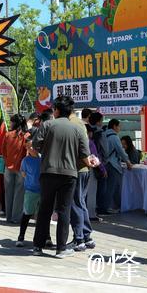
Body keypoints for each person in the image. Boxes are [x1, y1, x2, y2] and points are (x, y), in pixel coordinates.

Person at [31, 96, 96, 259]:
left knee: (44, 209)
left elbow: (35, 145)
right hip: (69, 174)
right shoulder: (77, 128)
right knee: (64, 210)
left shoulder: (47, 125)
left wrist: (47, 150)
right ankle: (61, 248)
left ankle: (38, 246)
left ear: (57, 110)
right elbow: (84, 153)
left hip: (48, 172)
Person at [69, 110, 97, 252]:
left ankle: (79, 238)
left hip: (77, 169)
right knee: (80, 202)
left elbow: (82, 148)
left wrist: (87, 160)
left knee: (76, 204)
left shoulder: (71, 124)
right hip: (84, 169)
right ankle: (87, 236)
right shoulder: (80, 123)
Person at [101, 119, 132, 214]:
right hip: (113, 164)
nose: (120, 128)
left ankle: (103, 206)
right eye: (119, 126)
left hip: (104, 164)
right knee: (113, 187)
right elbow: (120, 151)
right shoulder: (114, 137)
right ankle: (108, 207)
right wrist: (128, 162)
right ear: (114, 126)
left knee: (106, 187)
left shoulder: (104, 135)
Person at [2, 114, 27, 224]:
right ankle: (16, 218)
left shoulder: (8, 135)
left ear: (14, 123)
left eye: (11, 121)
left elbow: (3, 151)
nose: (10, 123)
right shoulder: (26, 136)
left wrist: (8, 160)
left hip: (8, 166)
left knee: (8, 192)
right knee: (19, 193)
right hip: (22, 168)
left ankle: (8, 216)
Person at [16, 139, 41, 247]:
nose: (31, 148)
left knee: (42, 216)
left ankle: (46, 237)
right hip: (31, 190)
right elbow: (23, 173)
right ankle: (21, 237)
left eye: (32, 146)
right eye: (28, 147)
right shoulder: (26, 160)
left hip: (43, 191)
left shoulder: (43, 158)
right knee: (27, 214)